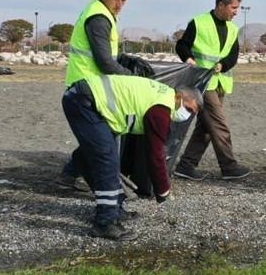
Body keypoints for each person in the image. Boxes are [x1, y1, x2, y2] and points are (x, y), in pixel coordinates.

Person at [62, 74, 202, 240]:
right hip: (84, 100)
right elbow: (155, 154)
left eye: (192, 114)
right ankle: (105, 222)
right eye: (188, 109)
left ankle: (113, 208)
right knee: (107, 160)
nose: (187, 115)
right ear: (179, 97)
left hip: (87, 99)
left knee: (94, 154)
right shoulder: (161, 109)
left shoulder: (161, 97)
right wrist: (163, 190)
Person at [58, 0, 140, 191]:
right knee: (103, 137)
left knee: (99, 135)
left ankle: (69, 175)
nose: (120, 4)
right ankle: (104, 187)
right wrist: (130, 76)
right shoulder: (99, 18)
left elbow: (108, 55)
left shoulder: (103, 14)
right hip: (86, 87)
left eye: (124, 0)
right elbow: (104, 61)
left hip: (93, 86)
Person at [172, 0, 251, 181]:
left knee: (207, 127)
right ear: (220, 5)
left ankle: (186, 166)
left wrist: (223, 65)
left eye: (238, 8)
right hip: (202, 84)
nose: (236, 12)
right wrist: (188, 58)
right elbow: (182, 45)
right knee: (218, 123)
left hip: (220, 83)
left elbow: (233, 55)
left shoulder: (233, 29)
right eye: (233, 7)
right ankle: (229, 166)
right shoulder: (199, 23)